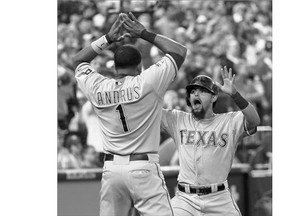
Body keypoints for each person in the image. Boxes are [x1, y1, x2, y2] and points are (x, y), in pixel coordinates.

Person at [72, 12, 187, 216]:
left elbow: (78, 60)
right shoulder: (148, 81)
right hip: (143, 166)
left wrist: (107, 38)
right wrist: (143, 33)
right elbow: (179, 51)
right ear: (140, 66)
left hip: (111, 169)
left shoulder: (98, 85)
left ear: (115, 67)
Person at [161, 66, 260, 216]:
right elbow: (147, 111)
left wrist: (235, 95)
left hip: (219, 198)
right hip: (185, 199)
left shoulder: (229, 121)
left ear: (214, 97)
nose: (196, 94)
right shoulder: (178, 119)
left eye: (201, 91)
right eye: (193, 91)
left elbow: (254, 120)